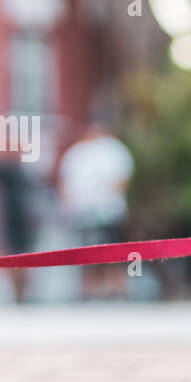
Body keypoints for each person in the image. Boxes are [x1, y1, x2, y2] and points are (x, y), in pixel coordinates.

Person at [58, 122, 134, 300]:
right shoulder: (77, 153)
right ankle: (89, 290)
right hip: (83, 213)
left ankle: (116, 288)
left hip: (109, 211)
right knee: (86, 253)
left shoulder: (114, 150)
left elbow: (122, 181)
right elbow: (66, 184)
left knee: (114, 252)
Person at [0, 157, 35, 303]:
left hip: (26, 220)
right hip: (10, 219)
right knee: (10, 256)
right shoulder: (3, 169)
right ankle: (16, 293)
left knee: (25, 257)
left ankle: (23, 293)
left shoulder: (27, 170)